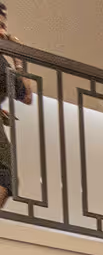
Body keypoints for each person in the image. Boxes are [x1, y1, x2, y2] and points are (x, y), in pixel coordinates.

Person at [0, 3, 32, 211]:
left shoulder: (3, 63)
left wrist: (18, 60)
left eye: (3, 25)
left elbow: (27, 96)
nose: (3, 31)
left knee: (5, 175)